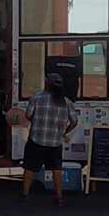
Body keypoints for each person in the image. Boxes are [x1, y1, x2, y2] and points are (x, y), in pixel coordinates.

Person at [20, 73, 78, 206]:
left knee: (29, 167)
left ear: (46, 83)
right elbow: (74, 121)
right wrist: (63, 132)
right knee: (56, 169)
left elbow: (28, 115)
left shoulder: (36, 98)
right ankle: (59, 197)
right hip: (56, 142)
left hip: (36, 139)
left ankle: (25, 194)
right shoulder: (66, 102)